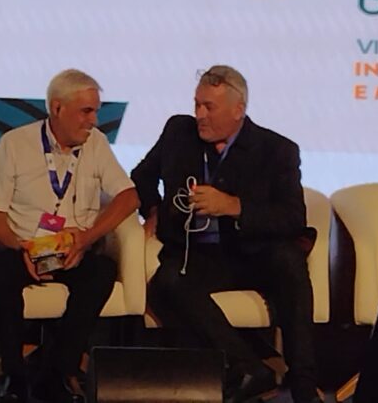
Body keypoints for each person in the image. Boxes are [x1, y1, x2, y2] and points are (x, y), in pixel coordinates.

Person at [131, 65, 320, 403]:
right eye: (197, 104)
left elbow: (292, 218)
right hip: (198, 255)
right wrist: (154, 209)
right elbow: (141, 175)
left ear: (238, 110)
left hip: (252, 253)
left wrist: (234, 206)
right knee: (167, 283)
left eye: (209, 107)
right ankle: (250, 368)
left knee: (290, 262)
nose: (200, 115)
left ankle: (303, 384)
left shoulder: (276, 149)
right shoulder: (178, 132)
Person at [0, 69, 139, 403]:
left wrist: (87, 238)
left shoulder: (96, 143)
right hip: (23, 249)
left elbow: (129, 197)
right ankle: (15, 378)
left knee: (102, 272)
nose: (94, 121)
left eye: (96, 111)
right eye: (86, 111)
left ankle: (58, 373)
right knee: (1, 270)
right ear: (57, 108)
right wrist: (20, 247)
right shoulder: (15, 143)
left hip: (73, 251)